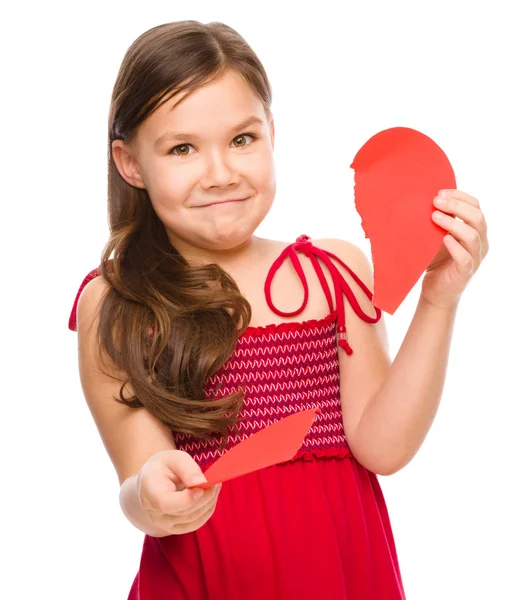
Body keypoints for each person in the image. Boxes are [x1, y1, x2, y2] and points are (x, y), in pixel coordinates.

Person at [68, 20, 489, 600]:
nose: (221, 173)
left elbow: (383, 448)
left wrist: (439, 299)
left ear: (272, 133)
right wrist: (149, 496)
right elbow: (139, 480)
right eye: (182, 148)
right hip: (211, 575)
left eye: (243, 139)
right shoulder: (120, 304)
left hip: (342, 568)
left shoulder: (334, 274)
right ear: (131, 162)